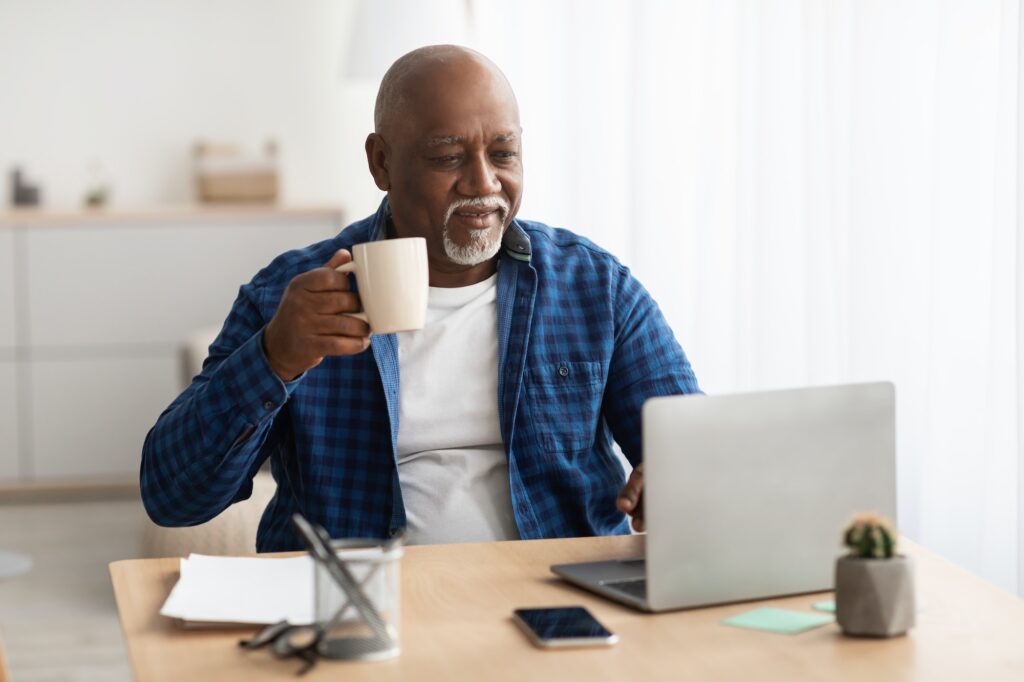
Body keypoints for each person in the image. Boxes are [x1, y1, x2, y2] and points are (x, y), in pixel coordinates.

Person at [140, 45, 700, 552]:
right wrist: (273, 358)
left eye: (503, 154)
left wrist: (678, 482)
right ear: (381, 162)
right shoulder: (290, 296)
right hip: (361, 613)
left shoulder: (594, 288)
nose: (483, 182)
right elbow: (174, 498)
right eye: (448, 158)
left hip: (557, 600)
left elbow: (694, 450)